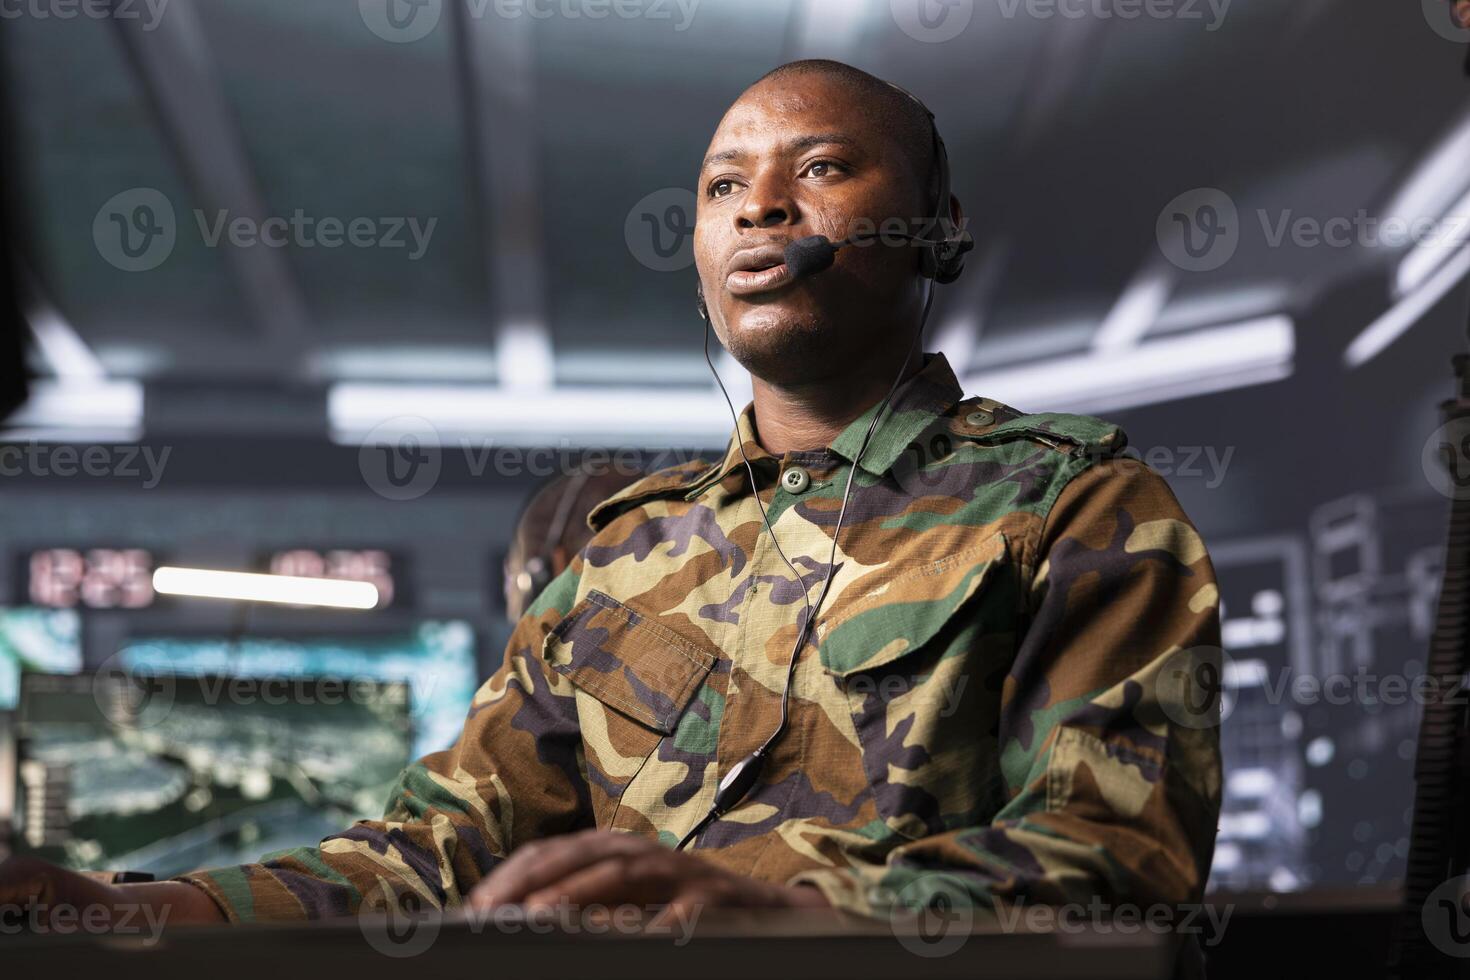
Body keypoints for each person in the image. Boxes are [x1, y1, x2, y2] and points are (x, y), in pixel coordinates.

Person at [0, 59, 1222, 941]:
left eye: (826, 168)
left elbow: (1114, 861)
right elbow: (434, 854)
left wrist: (804, 922)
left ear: (937, 228)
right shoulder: (625, 554)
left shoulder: (1075, 502)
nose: (761, 206)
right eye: (722, 185)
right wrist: (143, 907)